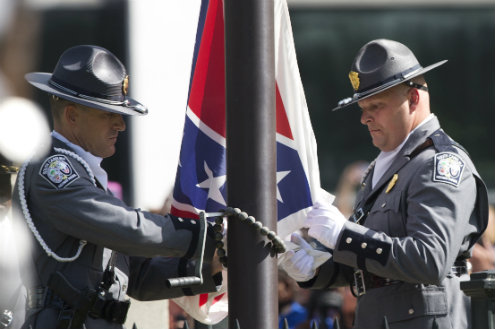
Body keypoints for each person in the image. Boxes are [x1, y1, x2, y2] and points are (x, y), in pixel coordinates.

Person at [280, 39, 489, 329]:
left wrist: (344, 235)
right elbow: (373, 264)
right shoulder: (383, 167)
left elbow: (429, 259)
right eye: (362, 107)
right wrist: (314, 268)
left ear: (414, 99)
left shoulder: (439, 163)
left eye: (376, 105)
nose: (365, 117)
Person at [12, 45, 223, 329]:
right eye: (106, 114)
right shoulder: (53, 169)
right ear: (72, 116)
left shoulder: (83, 173)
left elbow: (137, 277)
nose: (120, 125)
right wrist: (201, 234)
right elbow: (126, 229)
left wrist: (211, 263)